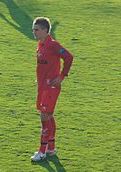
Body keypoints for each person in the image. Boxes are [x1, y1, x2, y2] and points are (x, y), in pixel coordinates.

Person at [31, 17, 74, 161]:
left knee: (44, 117)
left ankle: (42, 151)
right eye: (34, 29)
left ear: (45, 30)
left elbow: (68, 57)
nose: (34, 32)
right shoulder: (40, 44)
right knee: (48, 116)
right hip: (42, 87)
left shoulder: (53, 45)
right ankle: (51, 148)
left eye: (36, 29)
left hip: (51, 87)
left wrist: (62, 76)